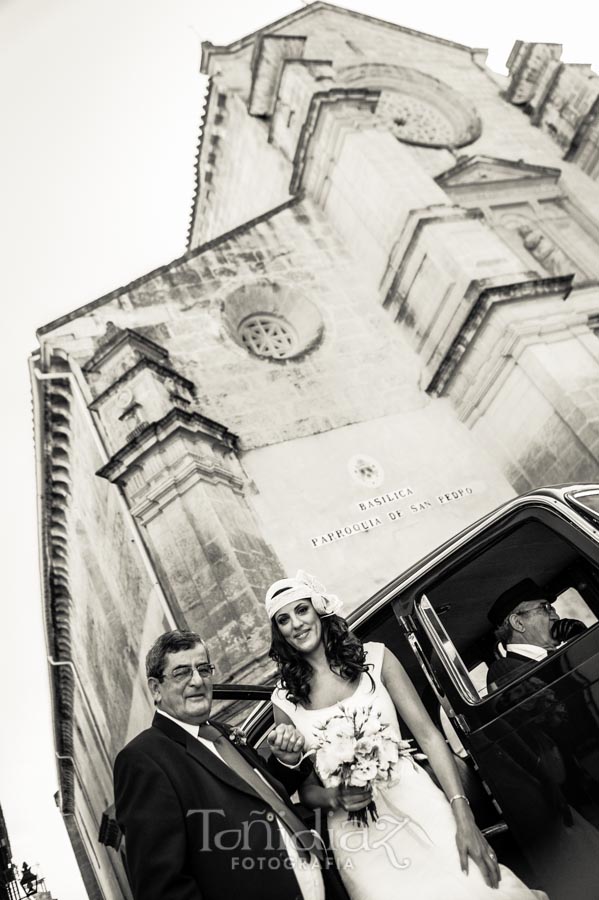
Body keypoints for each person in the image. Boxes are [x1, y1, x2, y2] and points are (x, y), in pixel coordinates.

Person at [267, 571, 548, 900]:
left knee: (479, 887)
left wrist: (462, 813)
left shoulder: (376, 658)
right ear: (280, 633)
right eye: (283, 620)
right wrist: (335, 797)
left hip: (420, 803)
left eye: (301, 610)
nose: (296, 624)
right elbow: (307, 791)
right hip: (362, 841)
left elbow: (429, 737)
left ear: (319, 609)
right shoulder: (284, 699)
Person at [114, 629, 350, 900]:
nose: (197, 681)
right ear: (156, 689)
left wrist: (287, 763)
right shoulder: (143, 760)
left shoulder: (223, 733)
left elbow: (261, 799)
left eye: (203, 669)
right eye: (181, 673)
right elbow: (162, 888)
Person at [486, 578, 586, 691]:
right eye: (545, 608)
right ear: (518, 623)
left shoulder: (558, 658)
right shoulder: (503, 669)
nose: (556, 617)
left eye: (552, 608)